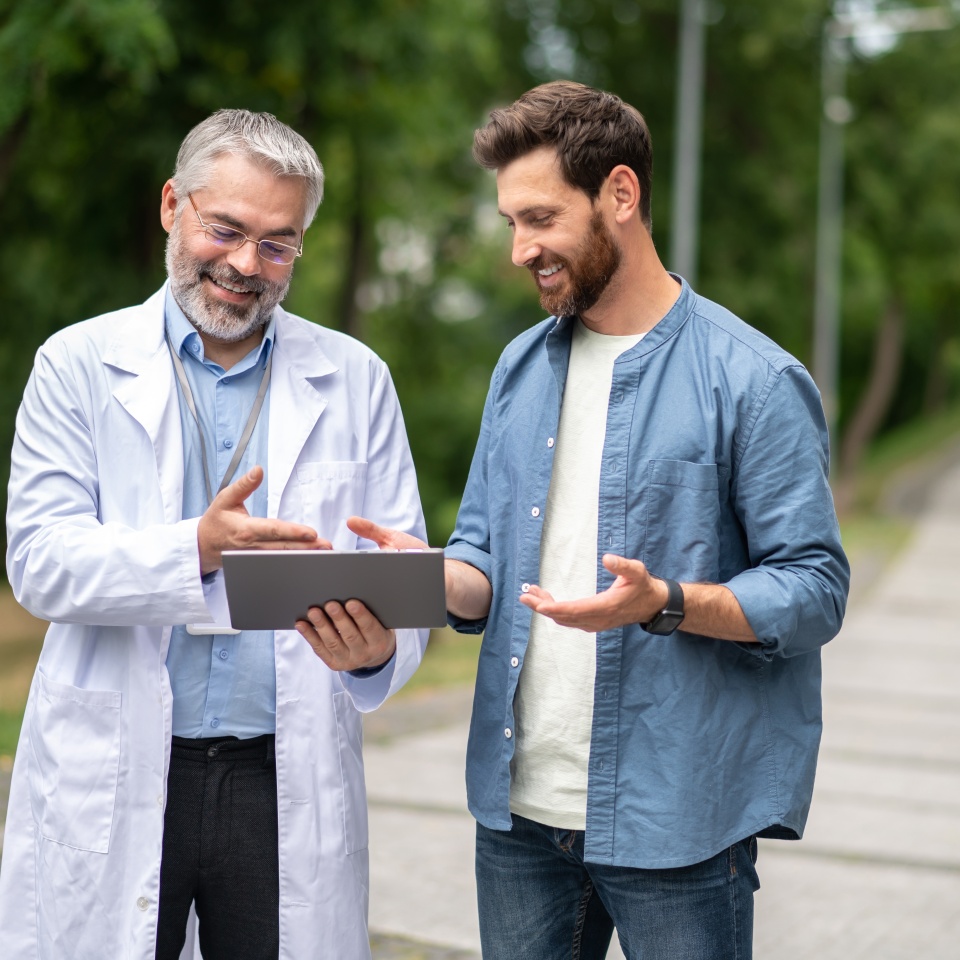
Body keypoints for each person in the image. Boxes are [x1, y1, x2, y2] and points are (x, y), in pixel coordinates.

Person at [350, 81, 850, 960]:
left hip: (680, 821)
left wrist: (666, 602)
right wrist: (426, 577)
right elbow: (481, 559)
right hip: (517, 816)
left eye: (539, 217)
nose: (519, 249)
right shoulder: (518, 367)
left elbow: (814, 591)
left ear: (620, 194)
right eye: (510, 221)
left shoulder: (755, 380)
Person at [0, 109, 428, 960]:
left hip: (281, 780)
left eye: (278, 243)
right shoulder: (76, 365)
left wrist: (376, 651)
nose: (245, 265)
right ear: (172, 206)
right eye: (225, 228)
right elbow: (39, 564)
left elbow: (399, 576)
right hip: (121, 767)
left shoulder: (355, 379)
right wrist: (195, 549)